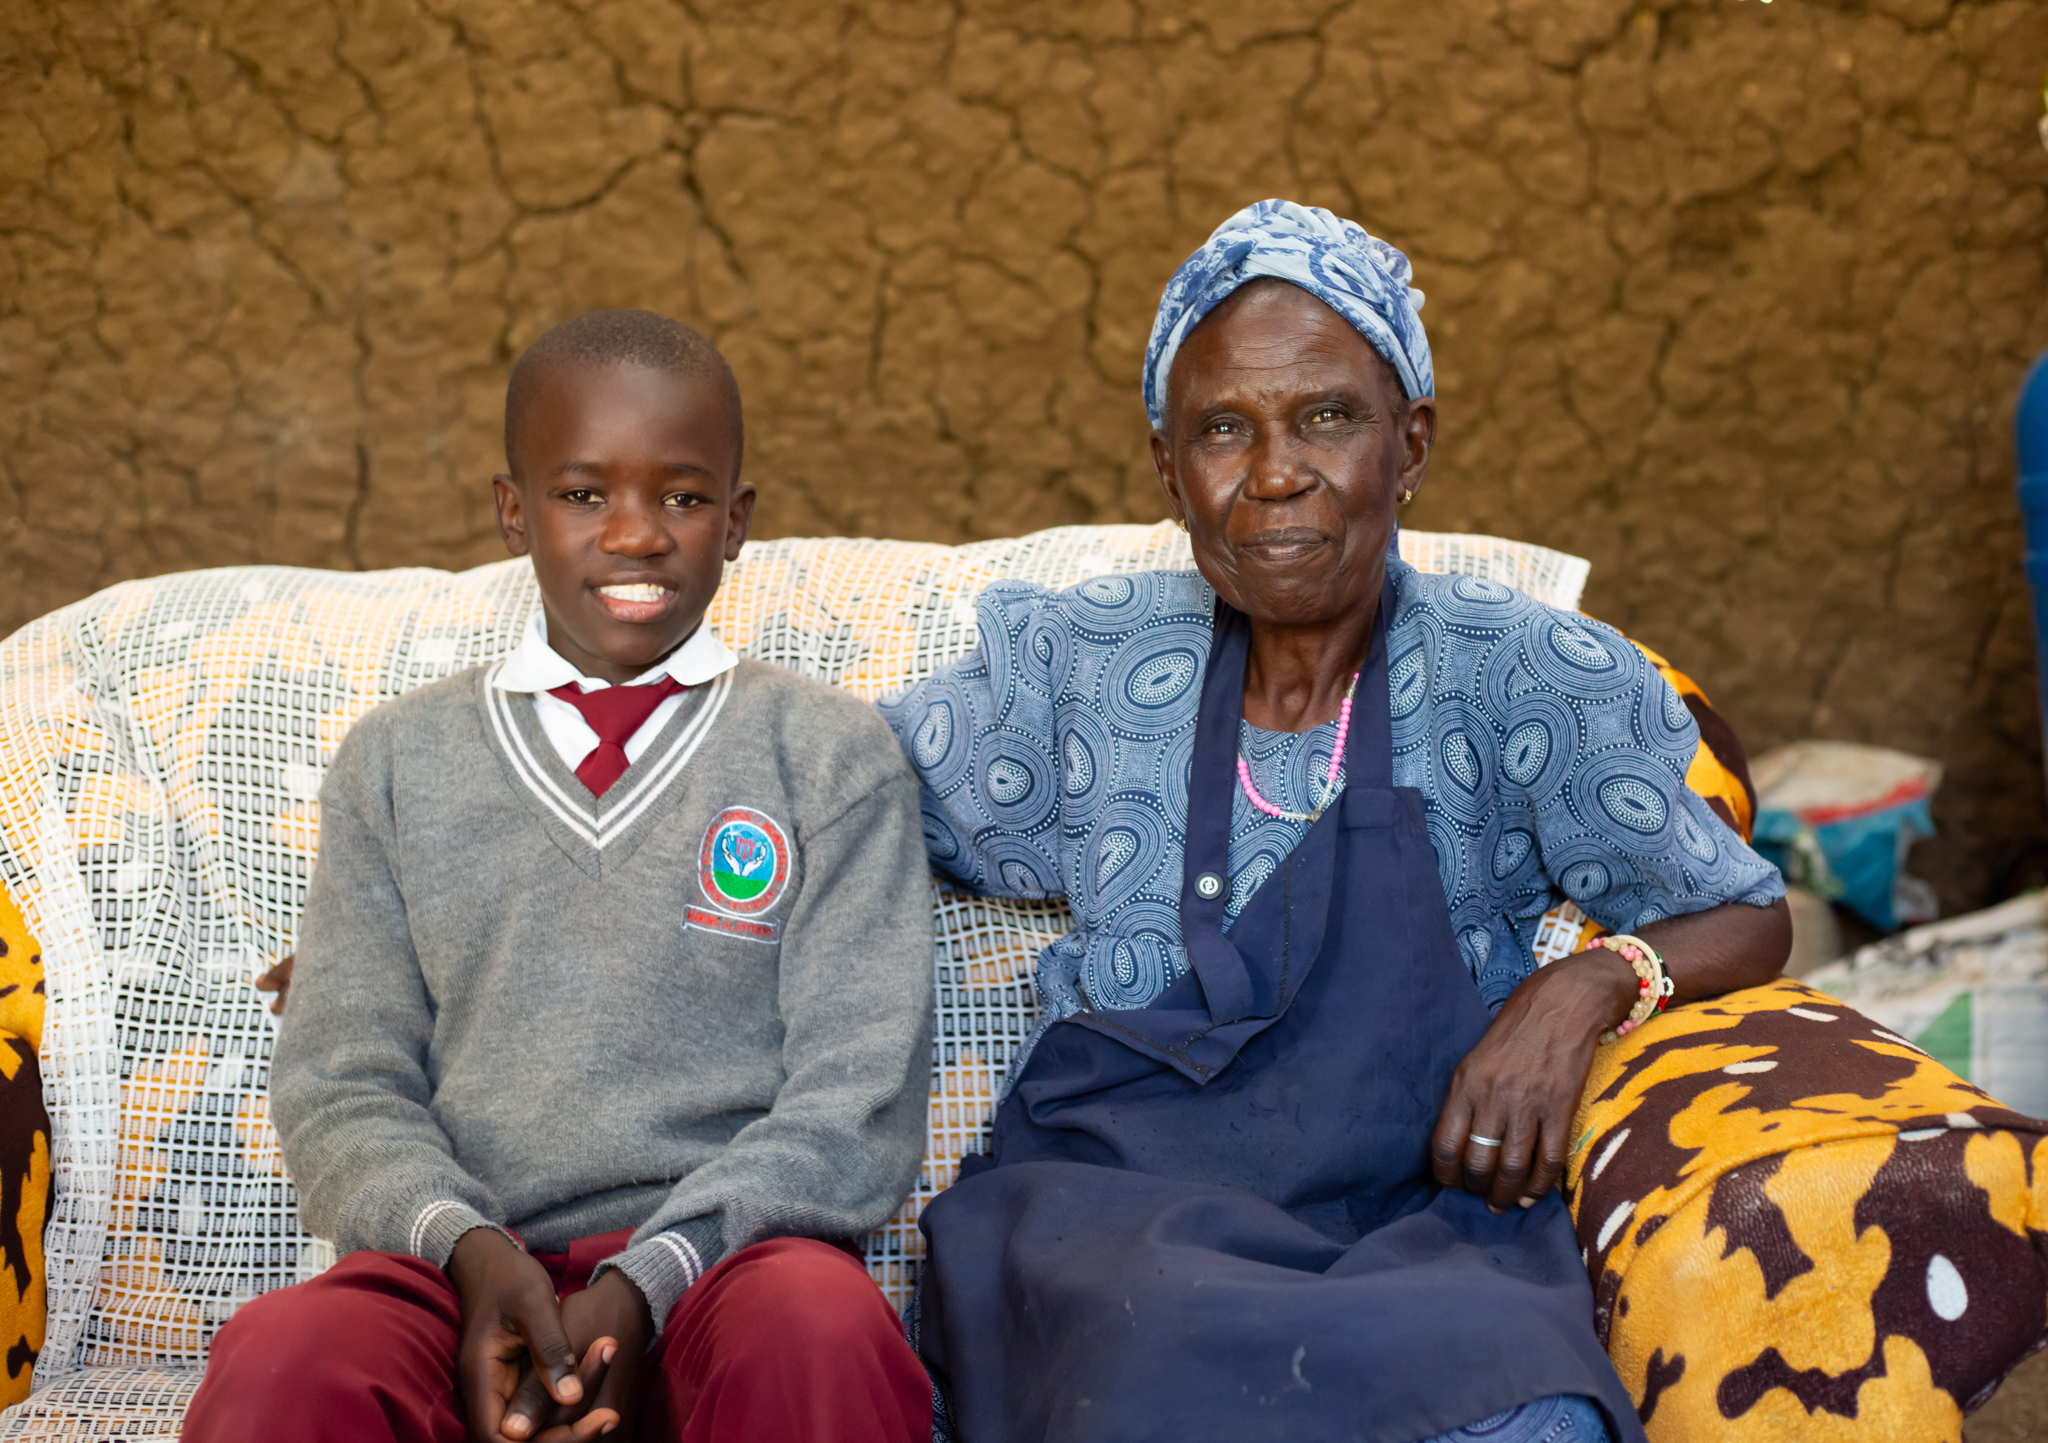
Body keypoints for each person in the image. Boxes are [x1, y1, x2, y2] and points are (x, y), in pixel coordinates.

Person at [881, 202, 1790, 1443]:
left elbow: (1740, 912)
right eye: (1220, 430)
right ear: (1166, 470)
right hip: (1109, 1237)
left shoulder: (1516, 672)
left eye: (1326, 417)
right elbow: (830, 791)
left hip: (1409, 1227)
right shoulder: (1075, 662)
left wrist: (1574, 992)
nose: (1272, 473)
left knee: (1531, 1422)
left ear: (1408, 444)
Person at [184, 310, 936, 1443]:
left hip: (723, 1277)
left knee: (819, 1330)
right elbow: (342, 1080)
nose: (634, 535)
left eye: (681, 497)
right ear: (512, 513)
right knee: (288, 1359)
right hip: (460, 1276)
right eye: (585, 495)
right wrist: (473, 1256)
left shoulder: (825, 755)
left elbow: (854, 1101)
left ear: (736, 523)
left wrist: (646, 1283)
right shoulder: (397, 761)